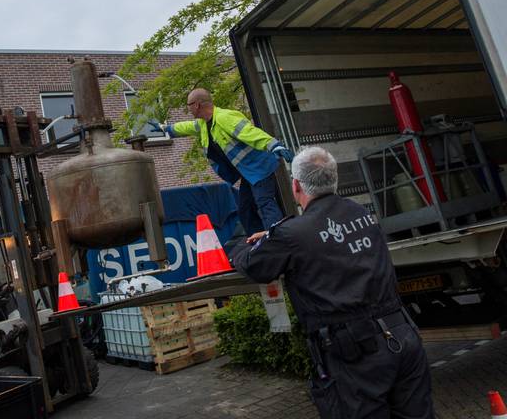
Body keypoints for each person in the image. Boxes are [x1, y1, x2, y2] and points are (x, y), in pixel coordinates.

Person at [229, 147, 433, 418]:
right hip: (402, 335)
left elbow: (256, 266)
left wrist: (238, 247)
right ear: (334, 179)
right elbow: (325, 238)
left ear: (296, 185)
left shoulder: (292, 234)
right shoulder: (361, 214)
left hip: (355, 355)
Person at [149, 88, 293, 235]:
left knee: (264, 203)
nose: (188, 109)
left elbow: (250, 132)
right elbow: (186, 127)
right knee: (245, 210)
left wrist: (273, 145)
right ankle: (259, 242)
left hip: (260, 168)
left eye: (189, 105)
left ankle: (279, 238)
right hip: (248, 172)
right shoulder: (204, 124)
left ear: (197, 105)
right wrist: (166, 128)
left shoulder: (225, 118)